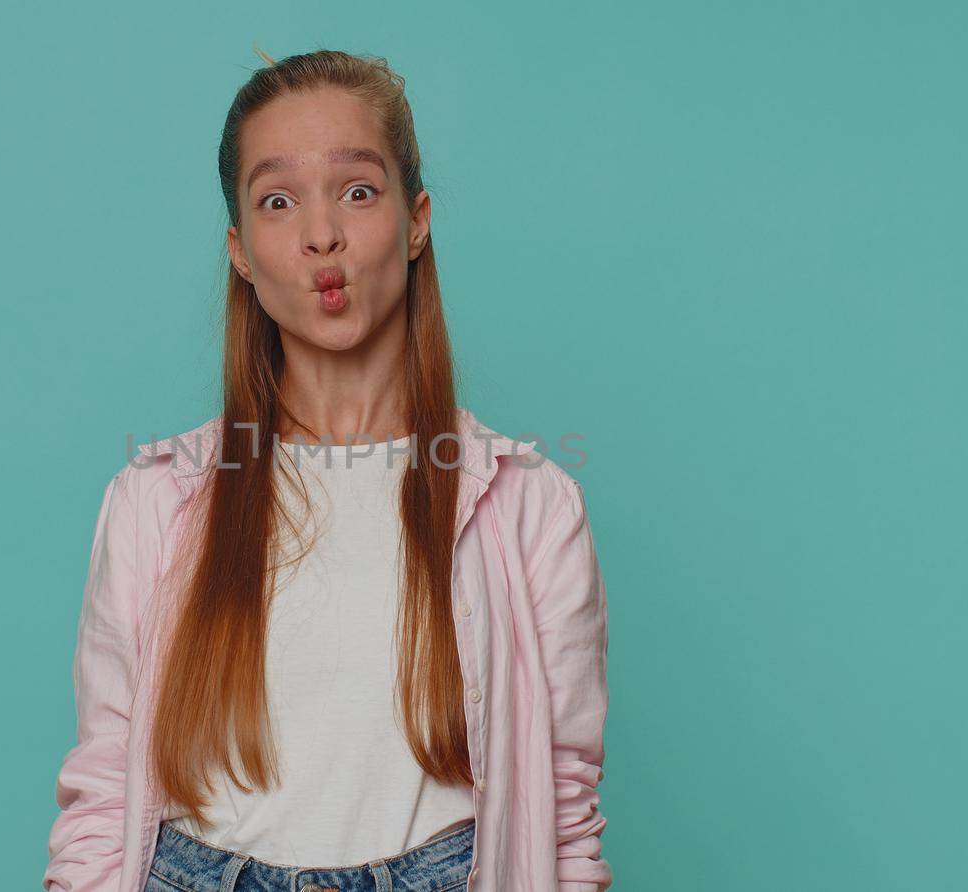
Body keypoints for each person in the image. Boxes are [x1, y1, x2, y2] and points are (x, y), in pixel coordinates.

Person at [43, 48, 612, 892]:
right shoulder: (156, 500)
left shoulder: (530, 505)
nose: (321, 235)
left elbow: (562, 821)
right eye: (278, 201)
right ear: (239, 250)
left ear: (417, 220)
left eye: (357, 190)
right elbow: (101, 797)